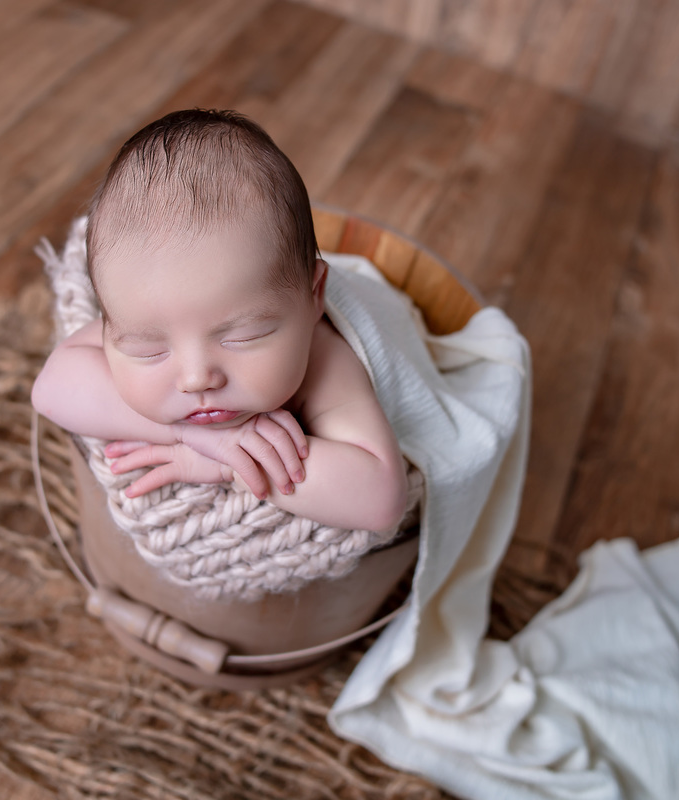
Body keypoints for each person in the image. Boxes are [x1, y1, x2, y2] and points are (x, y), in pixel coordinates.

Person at [31, 109, 407, 533]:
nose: (196, 378)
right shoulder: (144, 303)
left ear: (313, 297)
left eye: (243, 337)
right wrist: (209, 440)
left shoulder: (326, 360)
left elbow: (382, 498)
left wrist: (232, 467)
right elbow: (51, 388)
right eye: (148, 350)